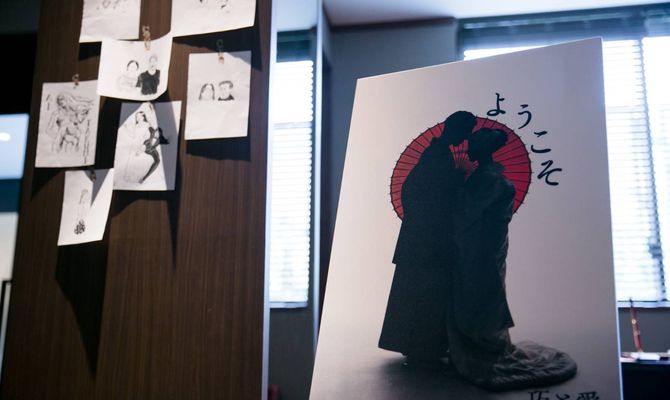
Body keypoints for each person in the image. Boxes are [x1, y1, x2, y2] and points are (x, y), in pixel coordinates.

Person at [447, 128, 577, 391]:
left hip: (480, 245)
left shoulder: (487, 179)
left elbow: (464, 212)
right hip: (485, 244)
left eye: (473, 144)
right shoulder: (488, 177)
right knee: (485, 288)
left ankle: (484, 342)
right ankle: (484, 339)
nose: (468, 148)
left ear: (483, 149)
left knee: (479, 289)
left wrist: (456, 182)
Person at [378, 111, 477, 367]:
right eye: (465, 131)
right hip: (428, 240)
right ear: (455, 129)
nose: (466, 138)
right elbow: (437, 196)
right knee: (427, 294)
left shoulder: (435, 154)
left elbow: (415, 192)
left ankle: (416, 344)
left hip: (420, 237)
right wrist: (460, 176)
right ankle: (422, 347)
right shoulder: (438, 156)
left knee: (417, 292)